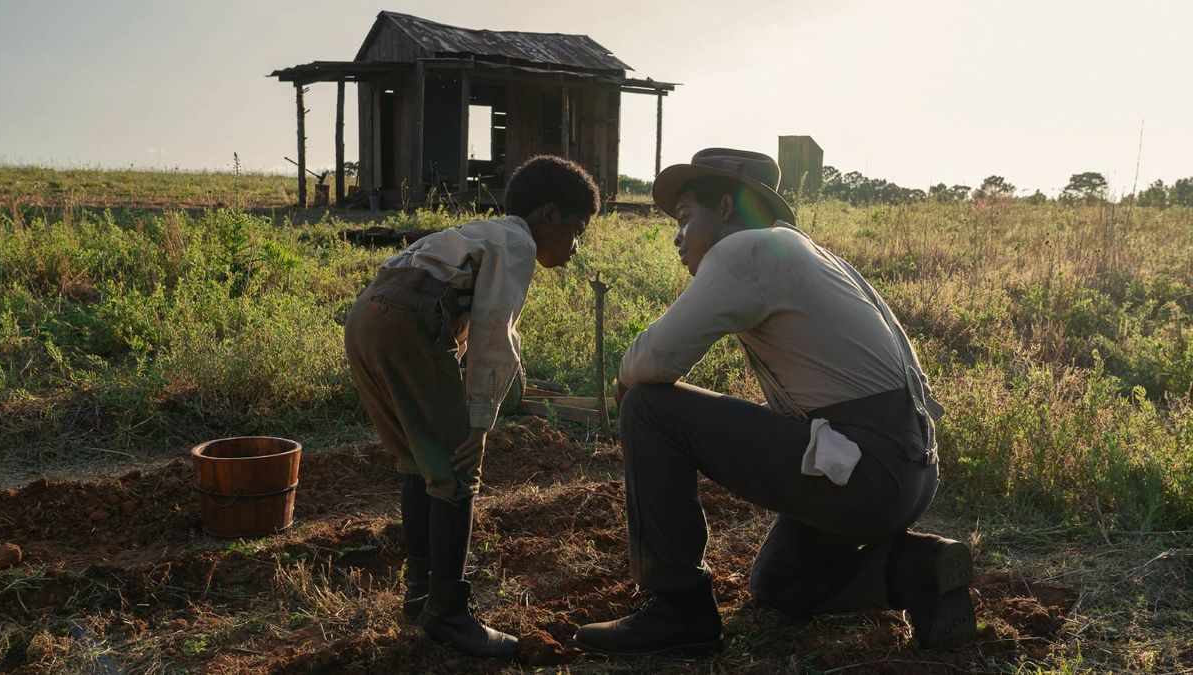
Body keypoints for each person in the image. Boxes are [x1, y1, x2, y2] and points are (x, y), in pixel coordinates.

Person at [574, 148, 975, 656]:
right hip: (902, 471)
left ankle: (677, 609)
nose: (677, 238)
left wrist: (627, 387)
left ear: (724, 208)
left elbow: (654, 359)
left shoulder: (747, 251)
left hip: (863, 467)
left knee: (649, 409)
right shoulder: (803, 252)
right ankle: (919, 570)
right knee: (777, 586)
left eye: (683, 219)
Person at [344, 155, 599, 658]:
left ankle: (420, 595)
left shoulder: (479, 232)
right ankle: (449, 614)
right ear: (548, 215)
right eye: (575, 230)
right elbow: (492, 332)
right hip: (408, 322)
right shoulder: (520, 242)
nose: (575, 247)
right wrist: (480, 421)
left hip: (367, 317)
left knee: (420, 465)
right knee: (458, 470)